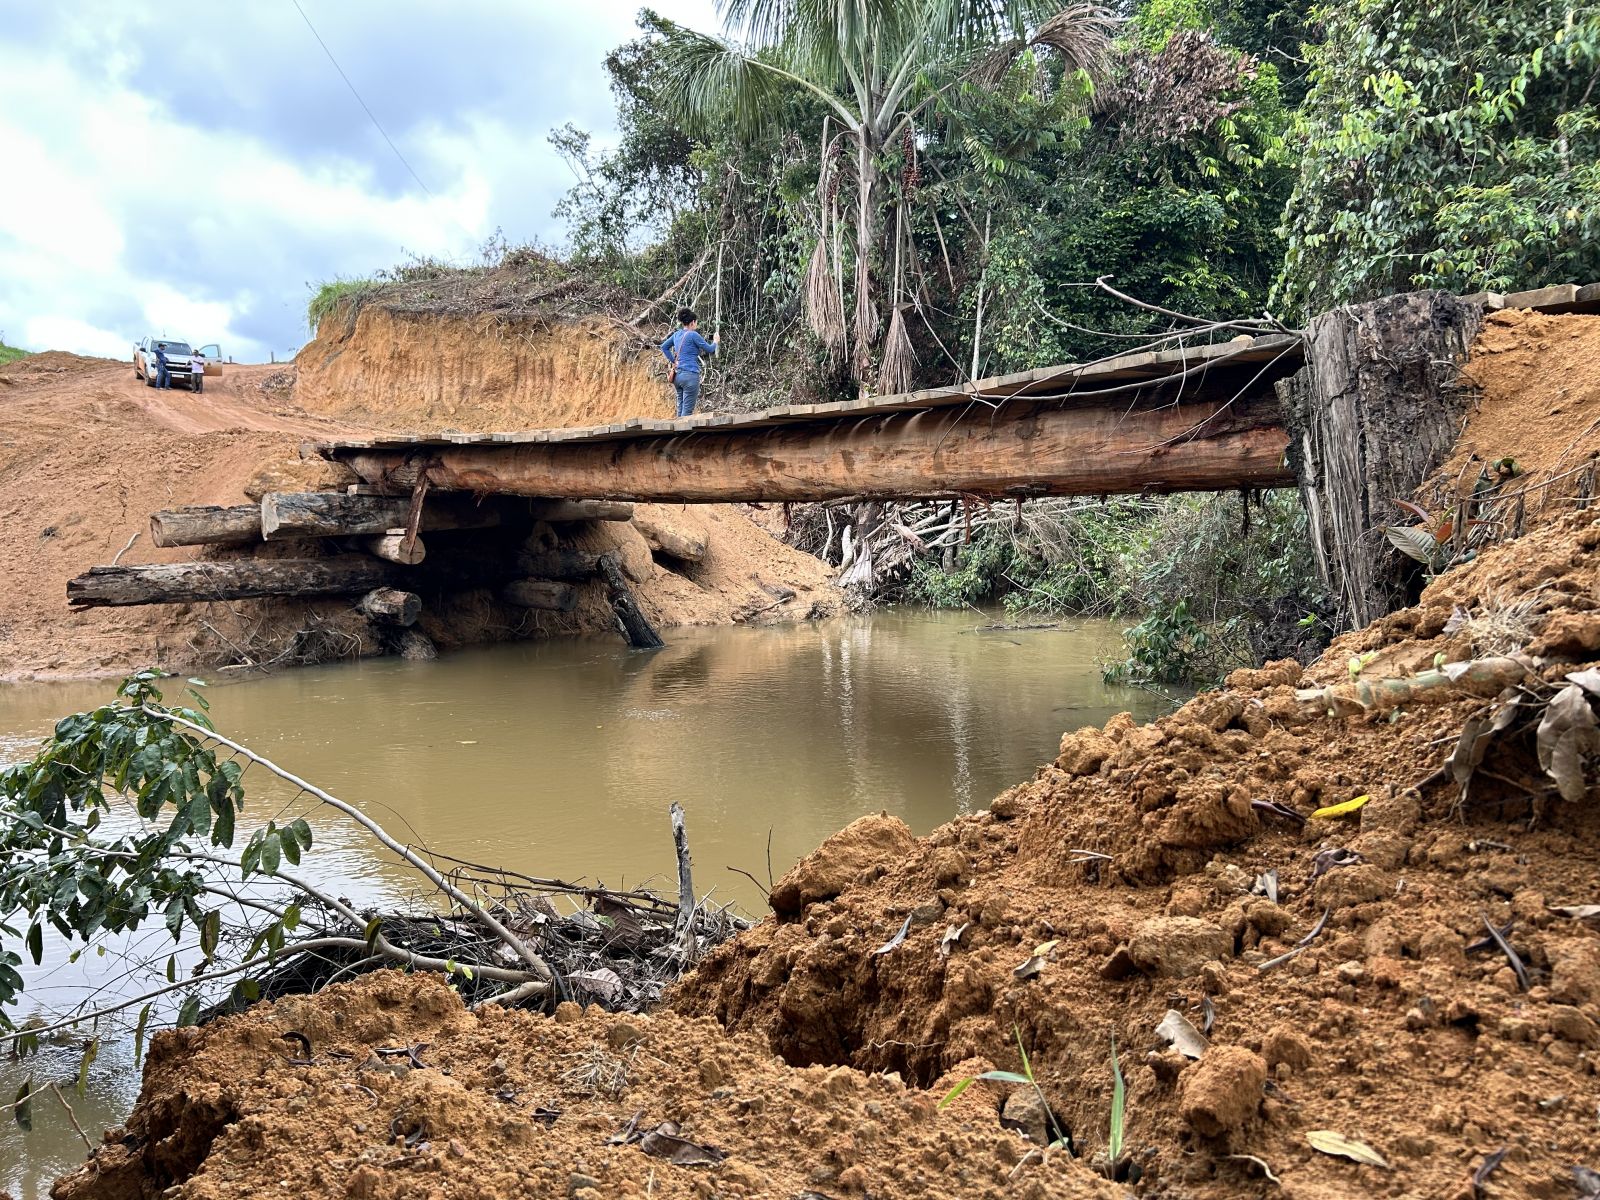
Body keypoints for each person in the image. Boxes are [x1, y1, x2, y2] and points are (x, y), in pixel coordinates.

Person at [660, 308, 718, 418]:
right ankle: (682, 433)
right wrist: (715, 341)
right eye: (696, 322)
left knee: (680, 409)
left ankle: (678, 433)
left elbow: (664, 347)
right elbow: (710, 349)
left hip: (678, 376)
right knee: (687, 413)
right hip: (690, 376)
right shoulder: (693, 335)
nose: (696, 324)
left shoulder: (677, 334)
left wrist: (674, 361)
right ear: (692, 322)